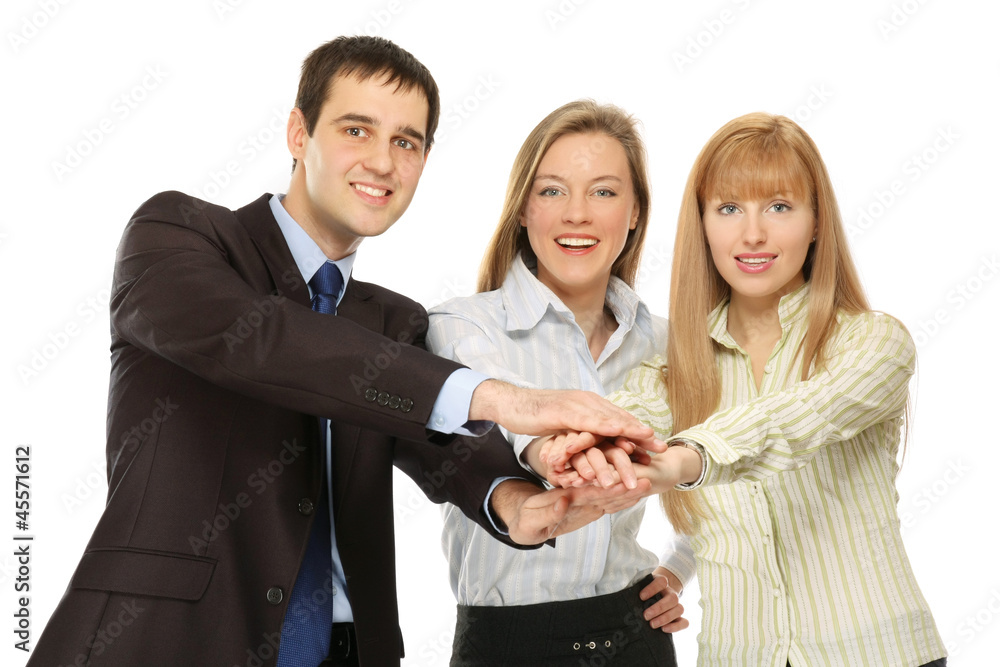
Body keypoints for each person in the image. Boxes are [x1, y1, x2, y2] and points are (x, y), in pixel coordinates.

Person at [27, 36, 661, 667]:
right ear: (298, 133)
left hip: (351, 650)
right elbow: (265, 341)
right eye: (356, 129)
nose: (383, 162)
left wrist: (518, 504)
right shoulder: (178, 236)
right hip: (165, 642)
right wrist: (506, 398)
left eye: (406, 142)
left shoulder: (392, 319)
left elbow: (444, 446)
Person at [534, 112, 948, 666]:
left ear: (817, 220)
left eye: (779, 206)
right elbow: (627, 423)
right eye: (729, 208)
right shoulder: (671, 371)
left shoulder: (874, 343)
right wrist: (587, 451)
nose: (753, 233)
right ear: (703, 223)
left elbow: (795, 421)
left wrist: (687, 458)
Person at [427, 100, 689, 667]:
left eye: (603, 192)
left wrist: (679, 567)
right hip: (507, 645)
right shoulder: (460, 326)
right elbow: (496, 415)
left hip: (635, 639)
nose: (577, 214)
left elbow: (728, 469)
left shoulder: (670, 345)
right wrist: (549, 451)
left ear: (636, 211)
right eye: (551, 191)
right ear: (523, 208)